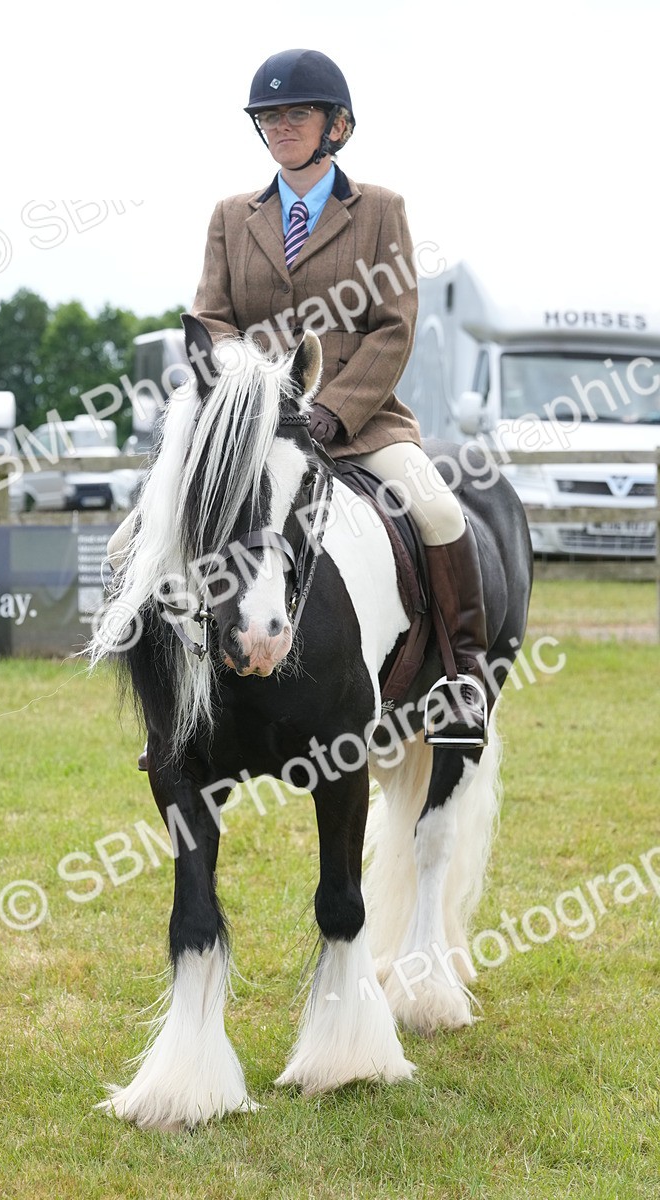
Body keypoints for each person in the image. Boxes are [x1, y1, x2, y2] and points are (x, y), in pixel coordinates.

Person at [186, 48, 489, 746]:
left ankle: (463, 674)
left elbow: (394, 325)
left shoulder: (380, 210)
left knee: (441, 511)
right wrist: (253, 396)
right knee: (140, 531)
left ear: (337, 127)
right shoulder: (233, 217)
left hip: (360, 421)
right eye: (269, 116)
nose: (281, 126)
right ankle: (173, 692)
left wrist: (334, 408)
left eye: (296, 113)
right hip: (259, 428)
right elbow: (211, 318)